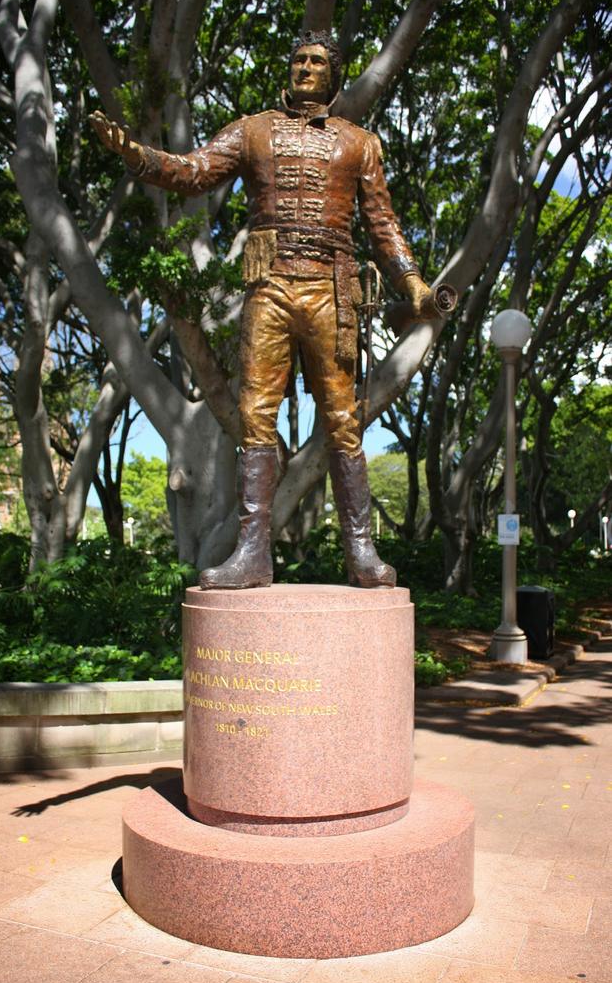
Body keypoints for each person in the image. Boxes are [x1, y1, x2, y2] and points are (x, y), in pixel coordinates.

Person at [90, 30, 433, 590]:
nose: (305, 68)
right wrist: (137, 155)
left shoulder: (359, 143)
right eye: (298, 58)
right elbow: (193, 171)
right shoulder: (254, 130)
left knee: (343, 420)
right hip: (269, 285)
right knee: (255, 416)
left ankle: (362, 552)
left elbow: (383, 223)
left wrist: (413, 283)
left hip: (332, 287)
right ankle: (252, 551)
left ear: (334, 75)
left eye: (318, 60)